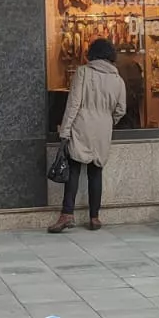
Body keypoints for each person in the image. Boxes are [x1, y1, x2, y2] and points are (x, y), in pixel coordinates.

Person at [48, 38, 126, 234]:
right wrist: (109, 121)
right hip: (103, 129)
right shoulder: (117, 79)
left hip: (81, 125)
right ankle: (94, 217)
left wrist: (64, 131)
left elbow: (73, 104)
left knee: (73, 169)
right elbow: (121, 109)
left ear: (92, 54)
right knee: (95, 171)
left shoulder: (83, 72)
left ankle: (67, 214)